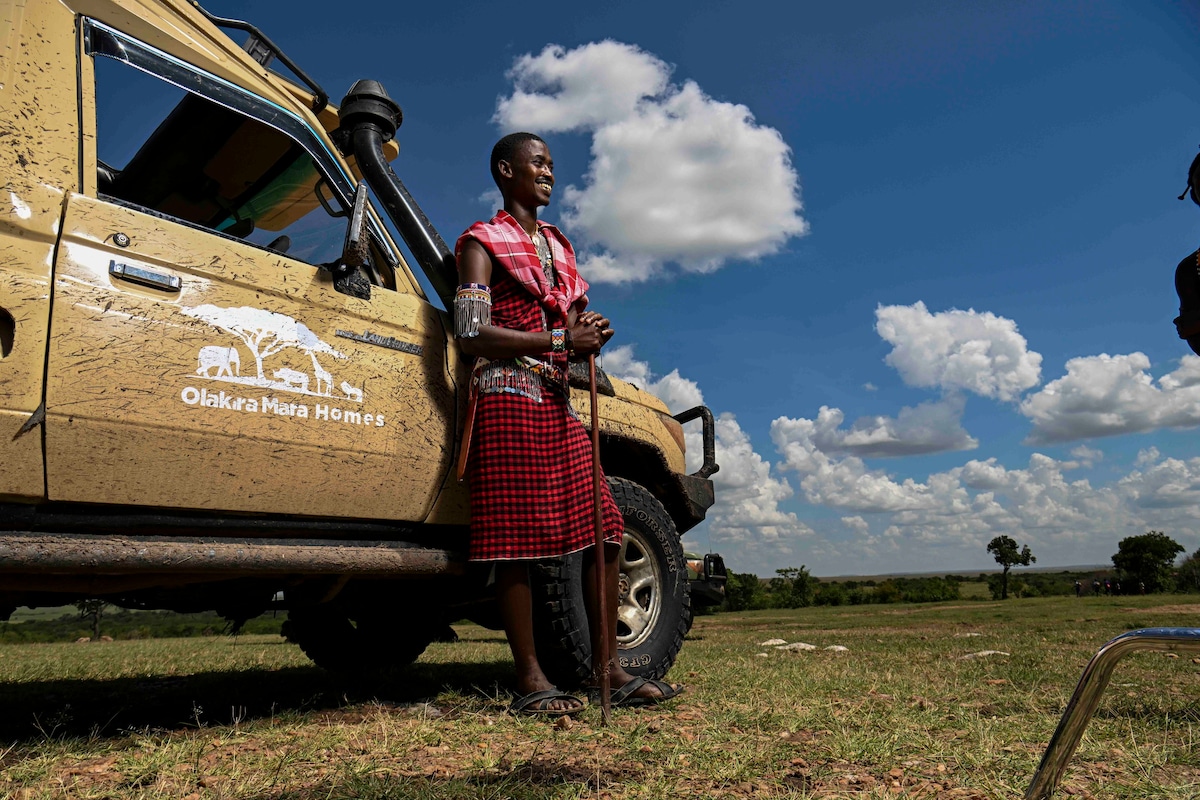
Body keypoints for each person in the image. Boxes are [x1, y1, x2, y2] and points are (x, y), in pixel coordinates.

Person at [453, 132, 684, 716]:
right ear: (506, 171)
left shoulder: (560, 248)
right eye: (538, 163)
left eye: (552, 165)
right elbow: (470, 333)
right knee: (515, 543)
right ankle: (531, 681)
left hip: (555, 398)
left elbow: (573, 321)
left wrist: (589, 332)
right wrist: (560, 338)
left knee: (606, 527)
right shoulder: (480, 244)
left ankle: (607, 670)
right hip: (504, 394)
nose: (549, 173)